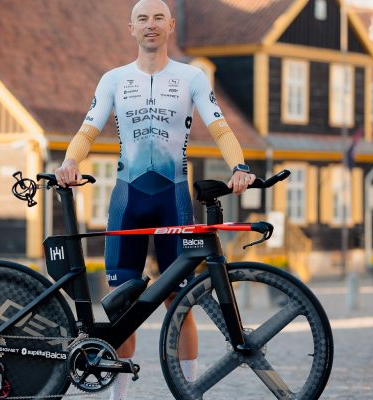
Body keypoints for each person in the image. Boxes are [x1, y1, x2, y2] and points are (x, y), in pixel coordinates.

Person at [55, 1, 255, 398]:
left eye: (158, 18)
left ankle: (190, 392)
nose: (151, 25)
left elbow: (220, 128)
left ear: (171, 25)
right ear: (131, 28)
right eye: (142, 19)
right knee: (121, 308)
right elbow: (88, 129)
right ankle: (118, 397)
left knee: (180, 305)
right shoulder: (113, 79)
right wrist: (69, 162)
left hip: (173, 199)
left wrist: (239, 166)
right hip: (127, 201)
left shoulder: (191, 77)